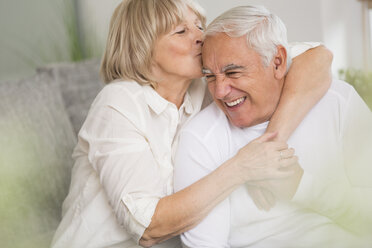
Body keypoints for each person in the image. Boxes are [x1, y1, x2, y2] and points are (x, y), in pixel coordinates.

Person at [51, 1, 334, 247]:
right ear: (143, 46)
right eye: (181, 31)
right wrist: (245, 167)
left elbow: (317, 58)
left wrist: (272, 145)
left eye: (199, 26)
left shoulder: (207, 87)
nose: (200, 36)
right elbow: (148, 227)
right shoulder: (118, 104)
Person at [174, 5, 372, 248]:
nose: (219, 91)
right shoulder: (200, 137)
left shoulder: (338, 101)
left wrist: (302, 187)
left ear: (278, 62)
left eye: (233, 72)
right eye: (210, 77)